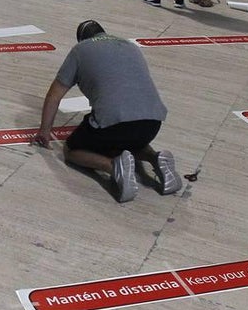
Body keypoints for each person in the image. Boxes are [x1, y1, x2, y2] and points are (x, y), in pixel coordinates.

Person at [33, 20, 180, 202]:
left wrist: (44, 131)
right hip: (152, 123)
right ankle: (155, 158)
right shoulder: (130, 46)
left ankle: (112, 166)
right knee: (129, 136)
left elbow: (54, 96)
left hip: (115, 125)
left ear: (82, 39)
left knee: (72, 150)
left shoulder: (80, 50)